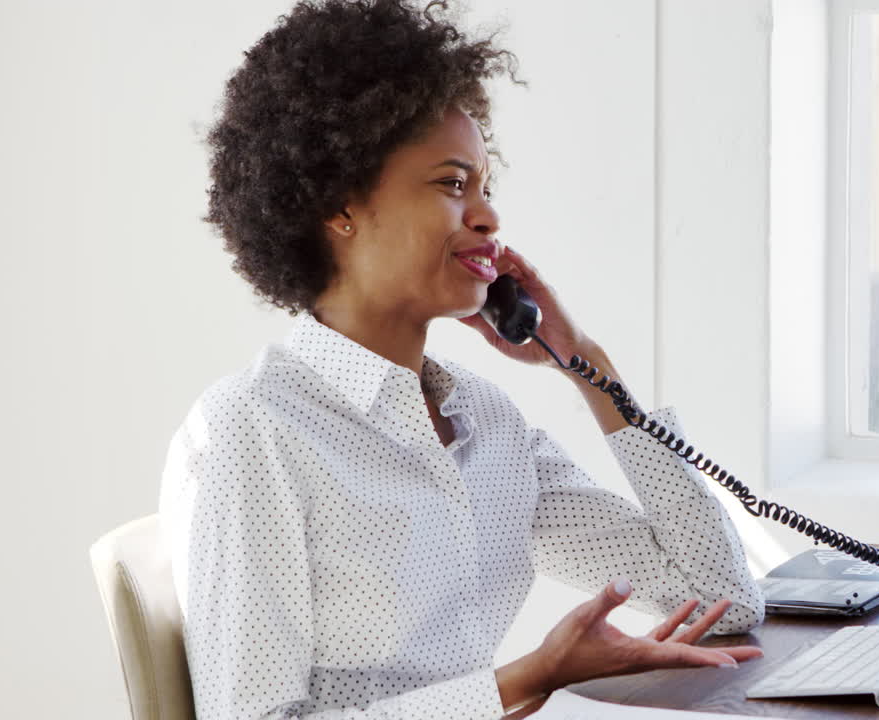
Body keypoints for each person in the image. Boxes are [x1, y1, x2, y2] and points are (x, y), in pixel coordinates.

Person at [158, 1, 765, 718]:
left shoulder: (483, 424)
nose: (488, 216)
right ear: (338, 204)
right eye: (452, 184)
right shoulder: (252, 430)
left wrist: (584, 362)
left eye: (485, 185)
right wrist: (528, 678)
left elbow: (719, 592)